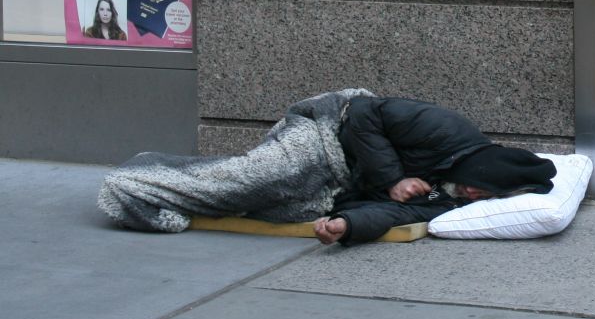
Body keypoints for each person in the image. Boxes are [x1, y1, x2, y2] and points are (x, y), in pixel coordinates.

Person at [98, 89, 557, 246]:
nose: (474, 196)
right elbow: (363, 112)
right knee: (256, 178)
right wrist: (394, 178)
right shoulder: (446, 129)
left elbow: (399, 213)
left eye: (485, 198)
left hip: (339, 186)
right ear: (481, 167)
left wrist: (346, 226)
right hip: (325, 133)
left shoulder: (451, 197)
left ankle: (160, 176)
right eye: (481, 187)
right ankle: (132, 182)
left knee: (267, 205)